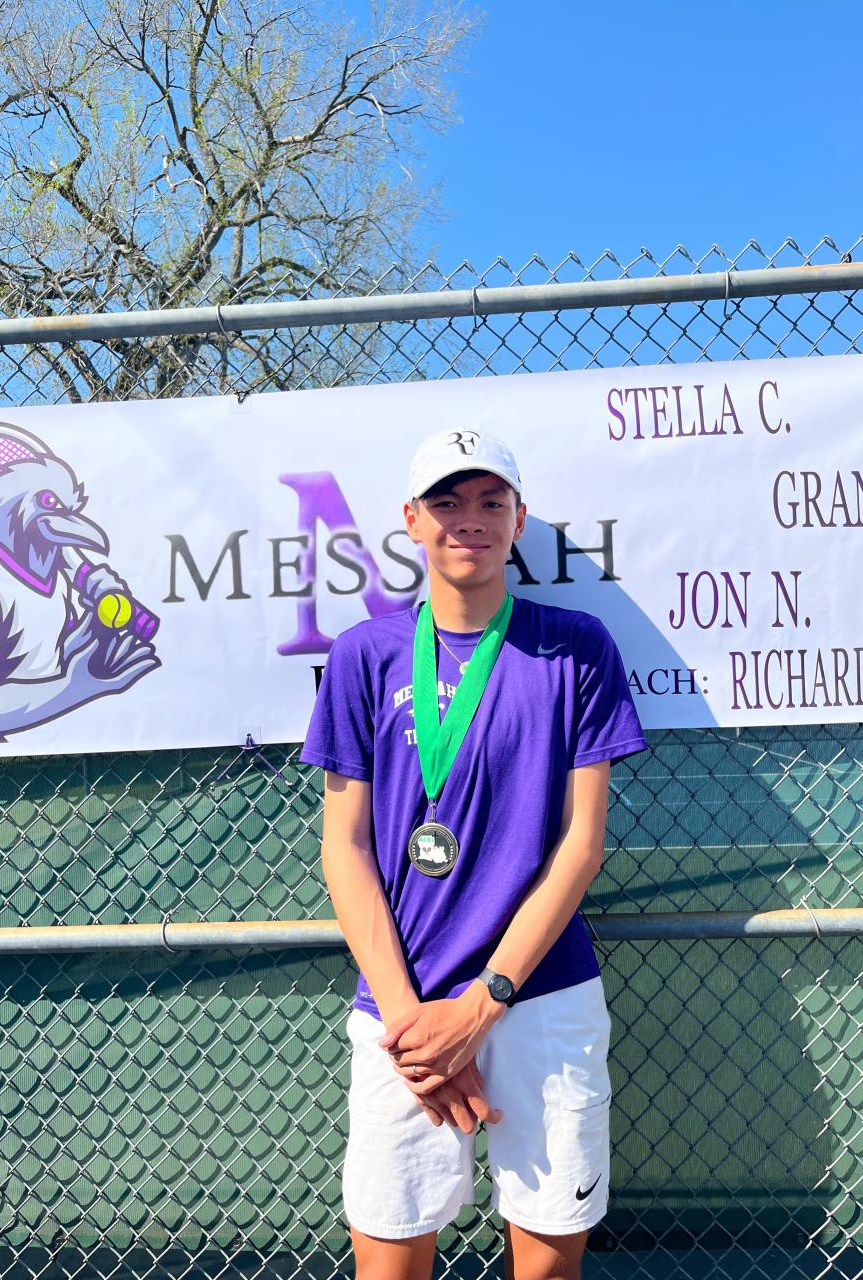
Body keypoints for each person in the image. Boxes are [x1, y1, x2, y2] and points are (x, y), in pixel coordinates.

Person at [301, 429, 646, 1280]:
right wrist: (418, 1027)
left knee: (546, 1269)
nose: (470, 520)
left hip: (539, 997)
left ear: (520, 519)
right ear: (411, 520)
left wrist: (484, 1005)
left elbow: (583, 842)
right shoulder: (363, 655)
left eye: (492, 501)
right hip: (402, 1011)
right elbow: (342, 847)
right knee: (389, 1268)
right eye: (448, 502)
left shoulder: (577, 648)